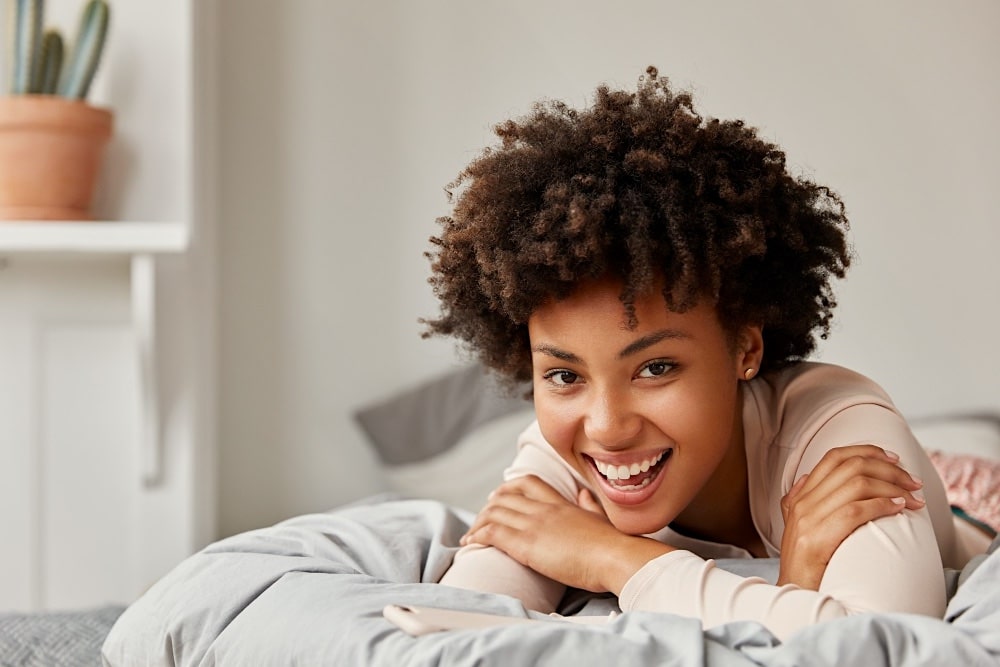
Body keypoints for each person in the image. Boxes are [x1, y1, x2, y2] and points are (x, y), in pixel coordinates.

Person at [422, 67, 991, 641]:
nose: (608, 428)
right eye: (565, 374)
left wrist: (610, 559)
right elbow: (452, 630)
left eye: (656, 367)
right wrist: (791, 588)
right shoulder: (563, 450)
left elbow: (883, 645)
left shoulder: (845, 439)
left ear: (745, 347)